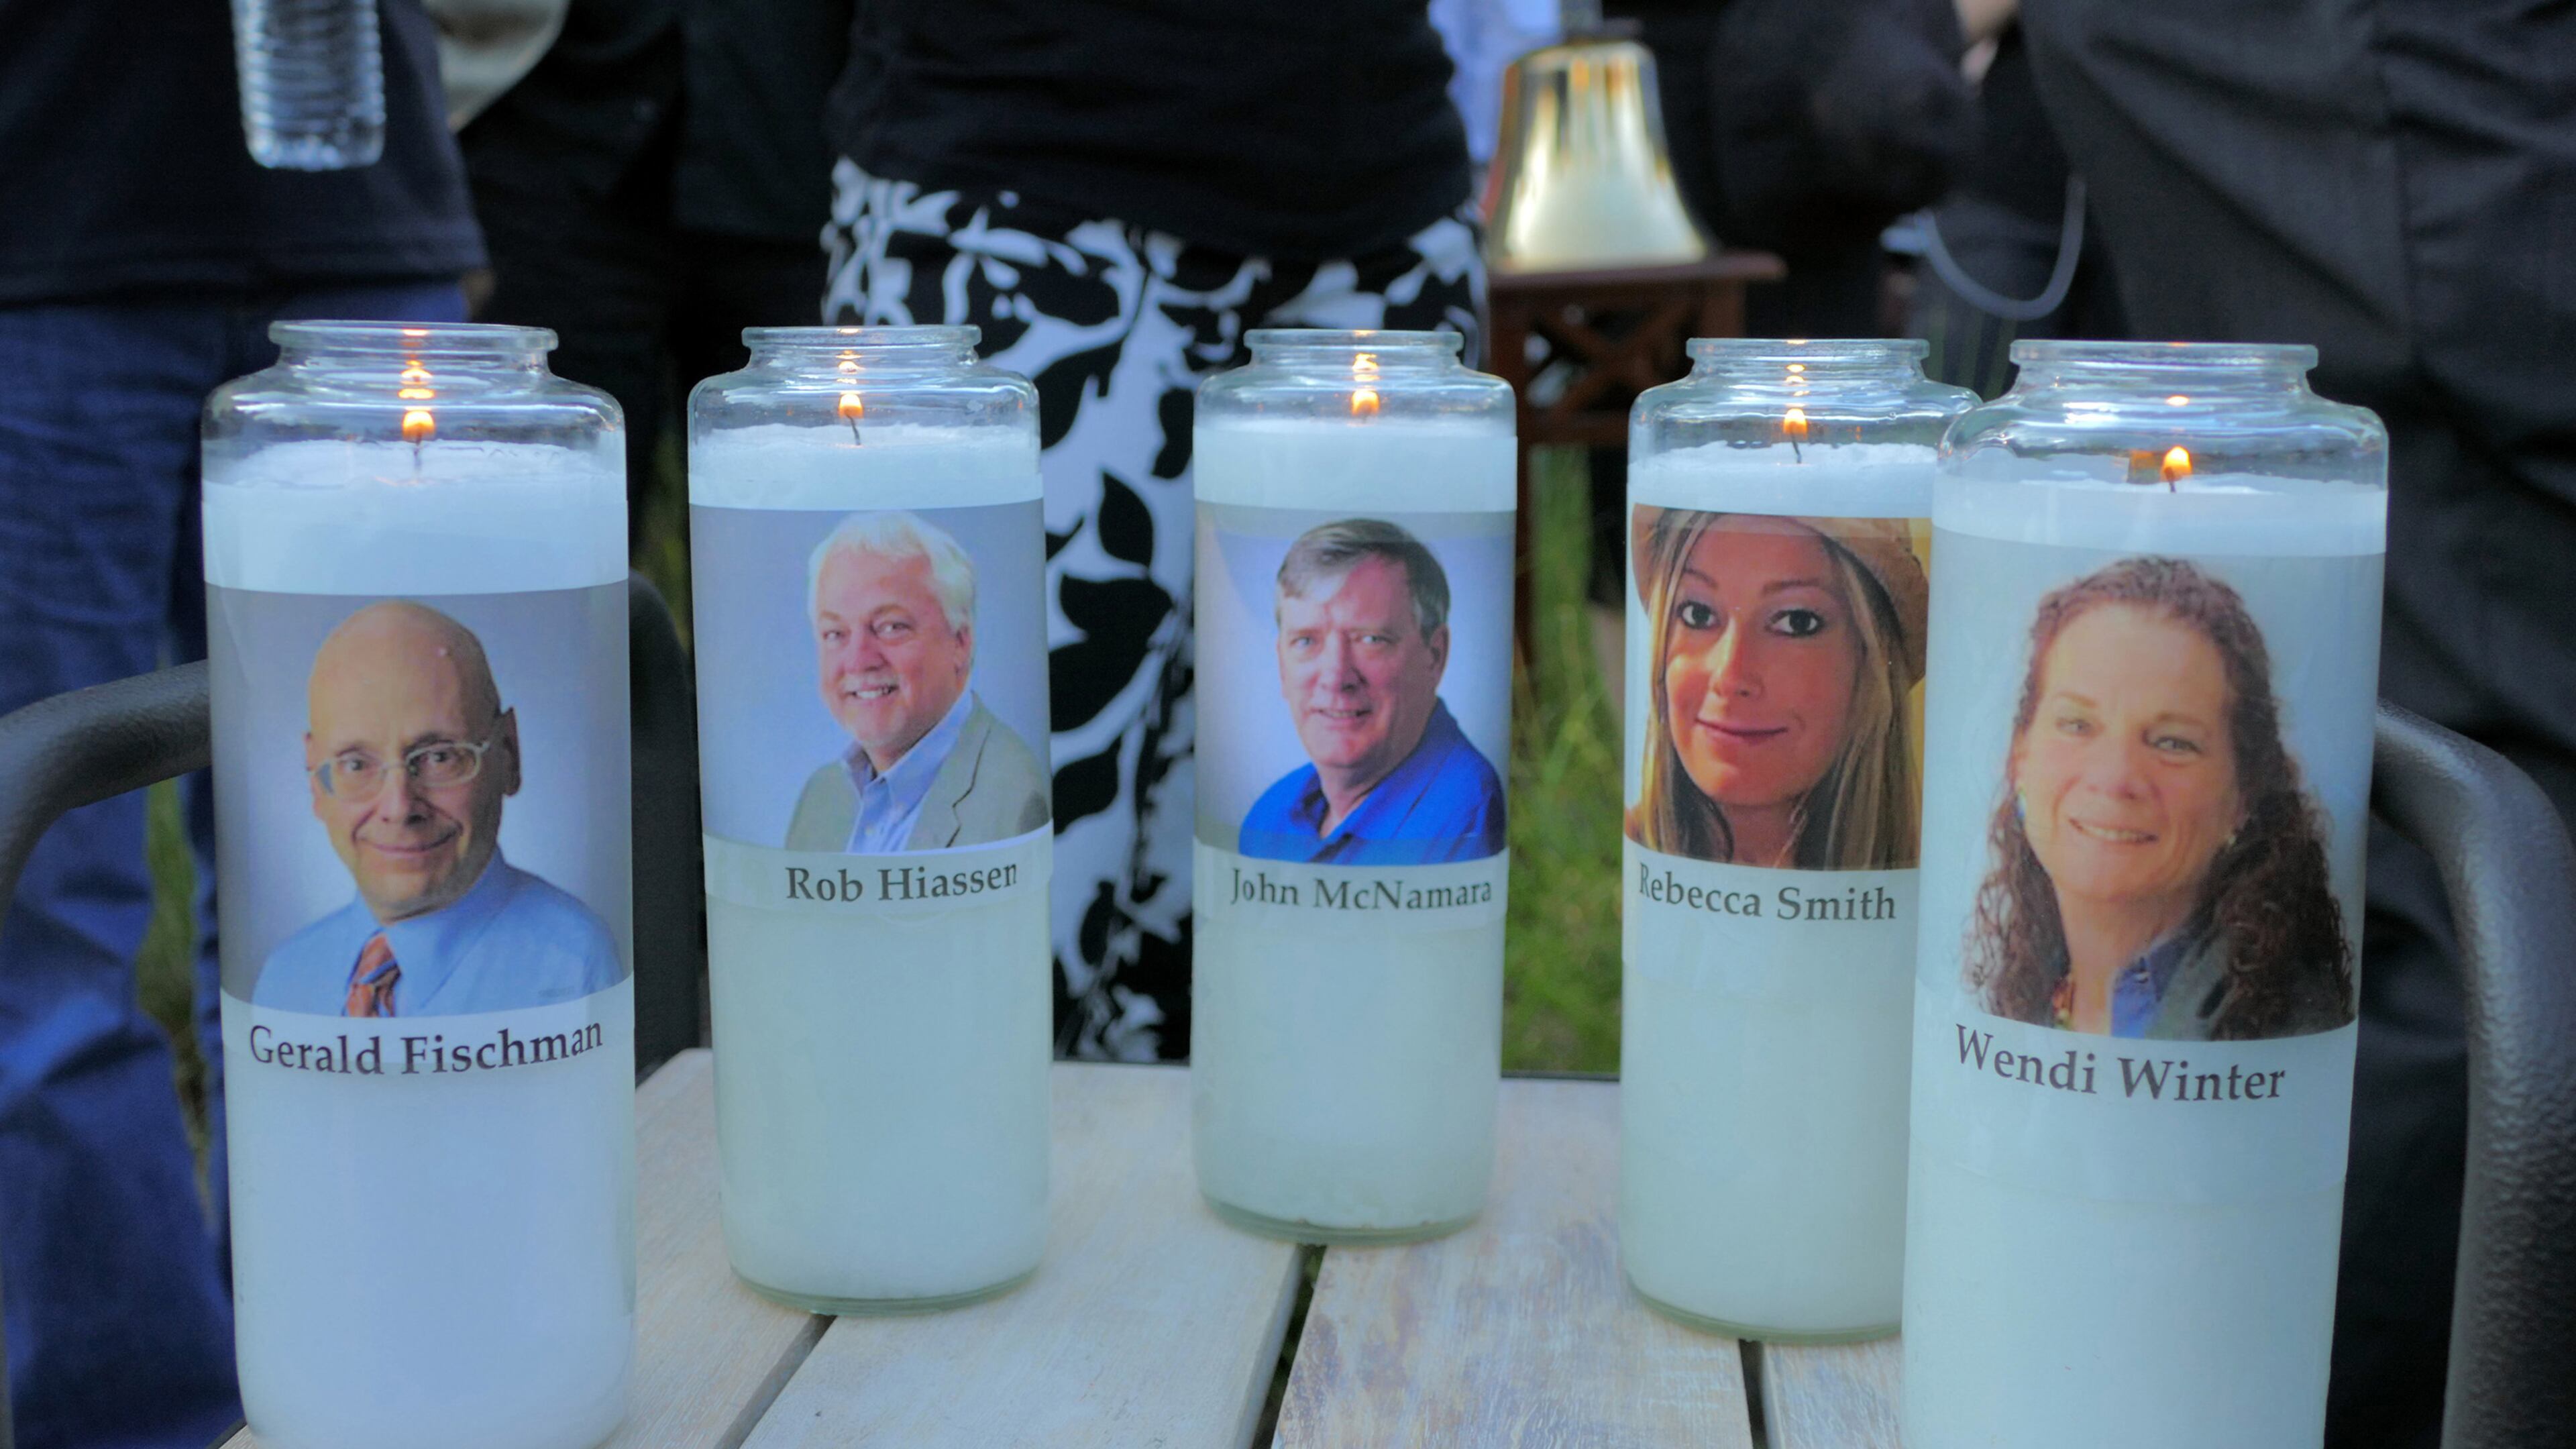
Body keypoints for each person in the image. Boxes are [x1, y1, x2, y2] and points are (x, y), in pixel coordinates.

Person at [820, 1, 1481, 1059]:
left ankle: (1317, 1207)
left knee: (1343, 923)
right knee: (999, 900)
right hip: (1017, 199)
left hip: (1373, 204)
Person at [0, 2, 482, 1440]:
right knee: (37, 916)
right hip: (34, 238)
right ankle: (148, 1424)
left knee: (404, 898)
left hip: (360, 235)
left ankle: (384, 1398)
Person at [1965, 557, 2353, 1040]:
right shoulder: (2031, 991)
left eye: (2172, 742)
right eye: (2078, 725)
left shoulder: (2277, 1029)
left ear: (2243, 795)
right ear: (2019, 755)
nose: (2114, 778)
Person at [252, 604, 620, 1017]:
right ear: (314, 780)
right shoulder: (284, 980)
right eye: (356, 764)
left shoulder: (575, 972)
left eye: (440, 757)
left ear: (509, 756)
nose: (399, 807)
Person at [1629, 508, 1926, 870]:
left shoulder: (1949, 889)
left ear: (1871, 659)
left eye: (1796, 622)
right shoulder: (1628, 869)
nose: (1730, 676)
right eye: (1698, 615)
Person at [1240, 520, 1504, 866]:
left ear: (1434, 656)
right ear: (1281, 665)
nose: (1336, 676)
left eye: (1371, 639)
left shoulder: (1465, 818)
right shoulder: (1270, 813)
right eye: (1306, 641)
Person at [785, 513, 1049, 853]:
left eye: (891, 626)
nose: (858, 659)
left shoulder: (1014, 797)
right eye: (835, 633)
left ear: (960, 642)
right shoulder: (820, 798)